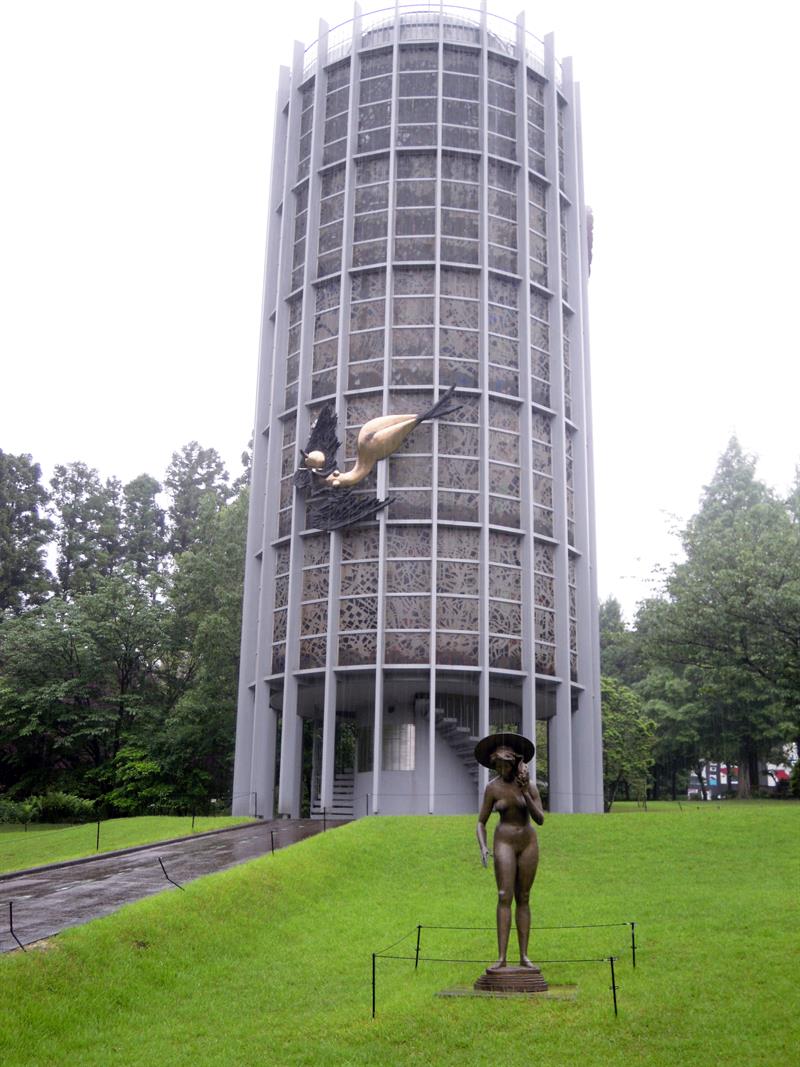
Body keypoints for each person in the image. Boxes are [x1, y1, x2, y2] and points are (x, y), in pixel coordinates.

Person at [475, 732, 545, 971]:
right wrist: (483, 846)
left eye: (505, 765)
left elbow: (540, 818)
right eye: (498, 766)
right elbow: (481, 822)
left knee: (523, 897)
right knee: (504, 895)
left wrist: (525, 792)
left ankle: (524, 956)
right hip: (503, 842)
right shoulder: (492, 788)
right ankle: (502, 957)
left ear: (514, 763)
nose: (502, 770)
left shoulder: (529, 786)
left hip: (527, 842)